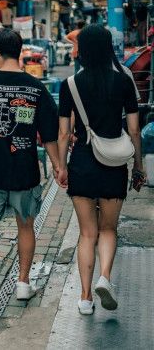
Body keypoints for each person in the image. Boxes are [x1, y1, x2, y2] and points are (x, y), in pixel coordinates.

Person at [0, 28, 61, 319]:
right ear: (19, 52)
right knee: (26, 227)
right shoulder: (35, 87)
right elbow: (49, 135)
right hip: (24, 169)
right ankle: (22, 284)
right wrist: (57, 166)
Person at [56, 24, 144, 315]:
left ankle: (84, 298)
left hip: (82, 162)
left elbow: (64, 134)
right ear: (108, 49)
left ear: (83, 50)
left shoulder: (70, 85)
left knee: (87, 234)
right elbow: (134, 130)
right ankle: (105, 277)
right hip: (114, 164)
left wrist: (61, 167)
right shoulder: (123, 82)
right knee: (108, 229)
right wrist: (139, 167)